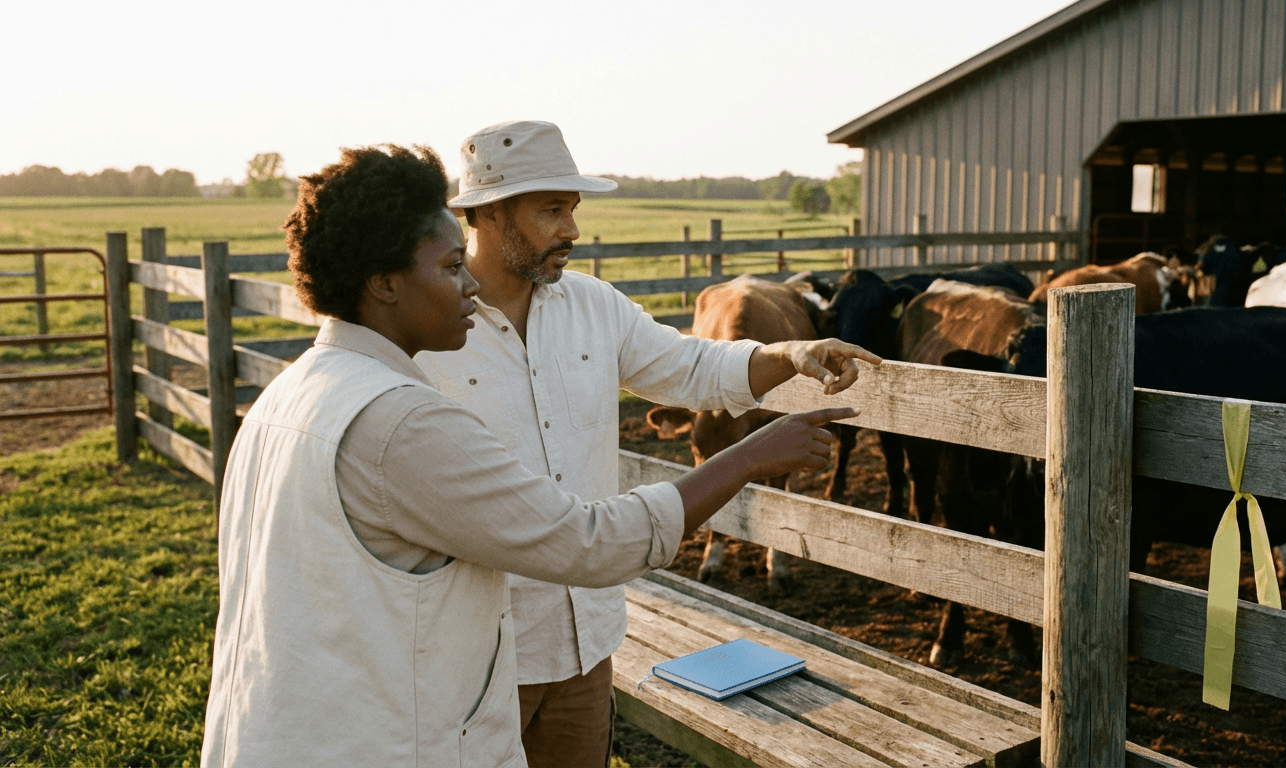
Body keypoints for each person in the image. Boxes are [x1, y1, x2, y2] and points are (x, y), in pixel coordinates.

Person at [199, 144, 856, 767]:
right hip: (447, 689)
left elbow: (686, 363)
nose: (469, 289)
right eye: (451, 267)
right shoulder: (399, 412)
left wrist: (787, 355)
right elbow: (586, 542)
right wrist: (744, 460)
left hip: (517, 658)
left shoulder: (290, 396)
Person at [416, 121, 880, 767]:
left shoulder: (593, 306)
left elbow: (693, 368)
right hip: (477, 656)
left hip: (588, 640)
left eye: (573, 209)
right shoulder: (429, 326)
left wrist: (793, 353)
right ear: (488, 213)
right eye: (552, 209)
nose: (572, 230)